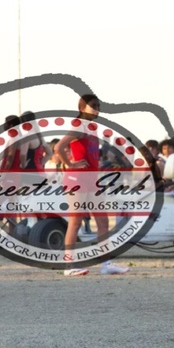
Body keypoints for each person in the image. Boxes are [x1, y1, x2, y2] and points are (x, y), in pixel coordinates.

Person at [56, 94, 130, 277]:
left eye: (99, 105)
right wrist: (71, 164)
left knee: (103, 221)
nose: (97, 109)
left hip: (91, 179)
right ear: (82, 108)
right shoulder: (78, 126)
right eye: (94, 106)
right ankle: (69, 266)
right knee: (76, 221)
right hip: (77, 179)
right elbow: (58, 147)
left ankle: (106, 263)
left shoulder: (92, 128)